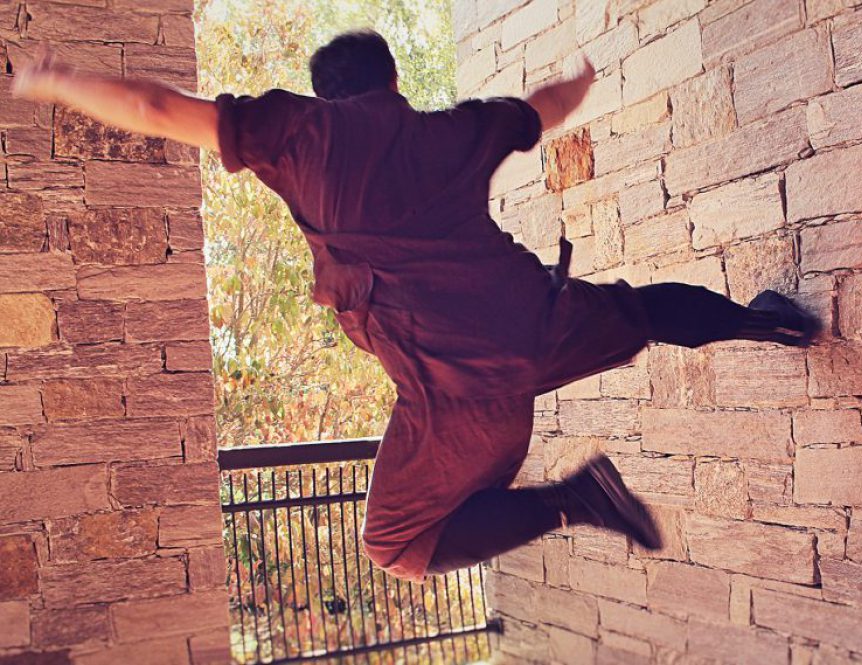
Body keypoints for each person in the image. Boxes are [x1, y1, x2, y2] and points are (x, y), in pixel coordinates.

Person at [15, 30, 820, 580]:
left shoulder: (297, 134)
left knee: (397, 543)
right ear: (394, 82)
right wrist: (579, 80)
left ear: (322, 94)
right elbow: (544, 105)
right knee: (639, 311)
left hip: (455, 383)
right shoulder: (452, 131)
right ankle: (765, 318)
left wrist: (54, 79)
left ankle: (578, 501)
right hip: (535, 320)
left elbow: (158, 109)